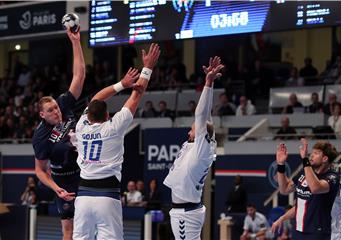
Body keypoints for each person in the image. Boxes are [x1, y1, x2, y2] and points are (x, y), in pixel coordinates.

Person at [72, 43, 160, 239]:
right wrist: (148, 68)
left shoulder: (81, 126)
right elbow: (137, 96)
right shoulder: (113, 127)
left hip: (84, 196)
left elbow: (96, 98)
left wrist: (122, 84)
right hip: (107, 195)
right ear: (107, 115)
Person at [32, 28, 85, 240]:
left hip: (85, 174)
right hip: (64, 182)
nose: (57, 111)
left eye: (56, 106)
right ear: (42, 115)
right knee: (69, 231)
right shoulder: (40, 137)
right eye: (51, 110)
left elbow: (79, 76)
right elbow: (40, 171)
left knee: (89, 224)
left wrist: (75, 42)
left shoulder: (64, 105)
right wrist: (56, 189)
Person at [163, 56, 223, 240]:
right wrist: (211, 84)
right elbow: (207, 112)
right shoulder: (199, 144)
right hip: (186, 210)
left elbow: (201, 113)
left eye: (194, 127)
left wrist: (207, 82)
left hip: (186, 214)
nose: (191, 128)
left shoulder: (202, 148)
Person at [275, 138, 339, 239]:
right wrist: (281, 165)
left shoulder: (332, 177)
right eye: (311, 153)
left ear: (325, 159)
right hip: (298, 231)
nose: (311, 155)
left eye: (316, 153)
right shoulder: (305, 173)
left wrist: (305, 160)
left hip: (317, 233)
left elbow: (315, 188)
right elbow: (284, 190)